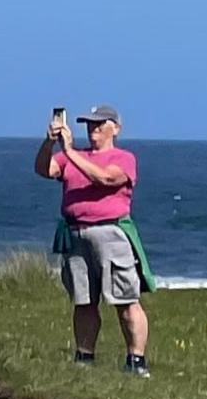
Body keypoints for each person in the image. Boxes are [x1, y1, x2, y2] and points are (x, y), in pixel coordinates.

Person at [35, 105, 150, 374]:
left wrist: (70, 153)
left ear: (115, 128)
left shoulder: (123, 158)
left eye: (100, 124)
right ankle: (84, 356)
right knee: (83, 300)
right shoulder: (71, 158)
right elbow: (44, 169)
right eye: (89, 124)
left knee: (125, 299)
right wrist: (48, 143)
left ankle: (136, 360)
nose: (93, 129)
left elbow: (106, 178)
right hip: (77, 233)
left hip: (110, 234)